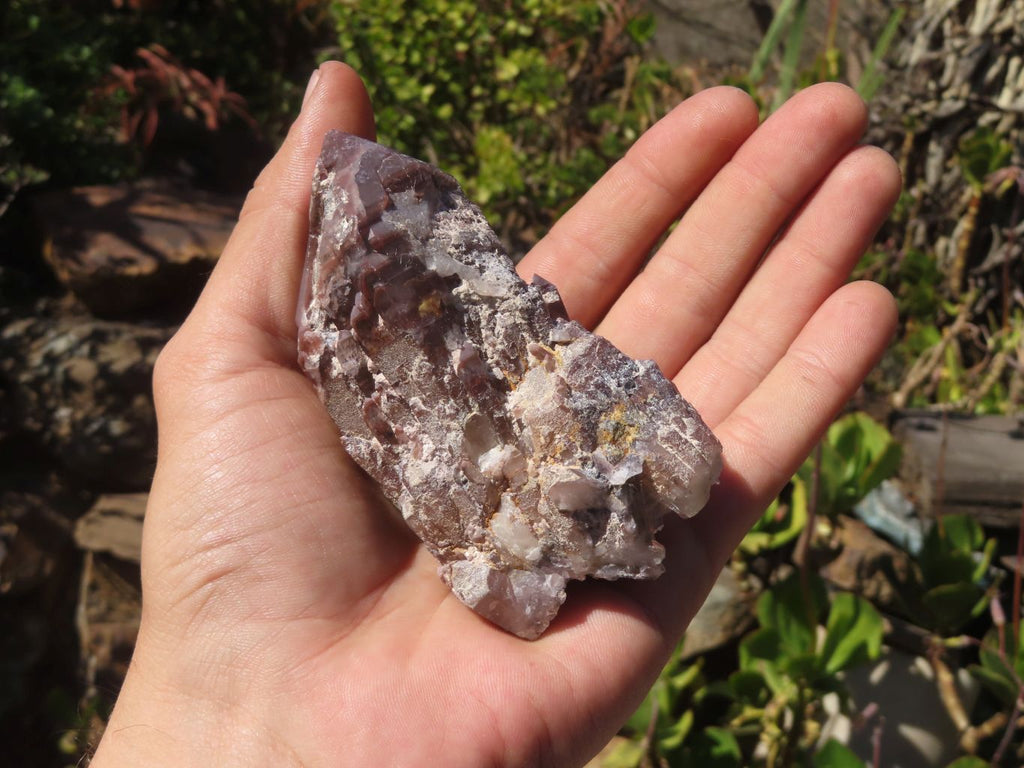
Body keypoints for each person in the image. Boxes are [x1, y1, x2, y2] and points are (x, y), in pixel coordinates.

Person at [90, 62, 899, 767]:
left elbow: (660, 461)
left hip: (558, 464)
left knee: (663, 467)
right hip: (515, 503)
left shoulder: (548, 382)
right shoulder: (375, 328)